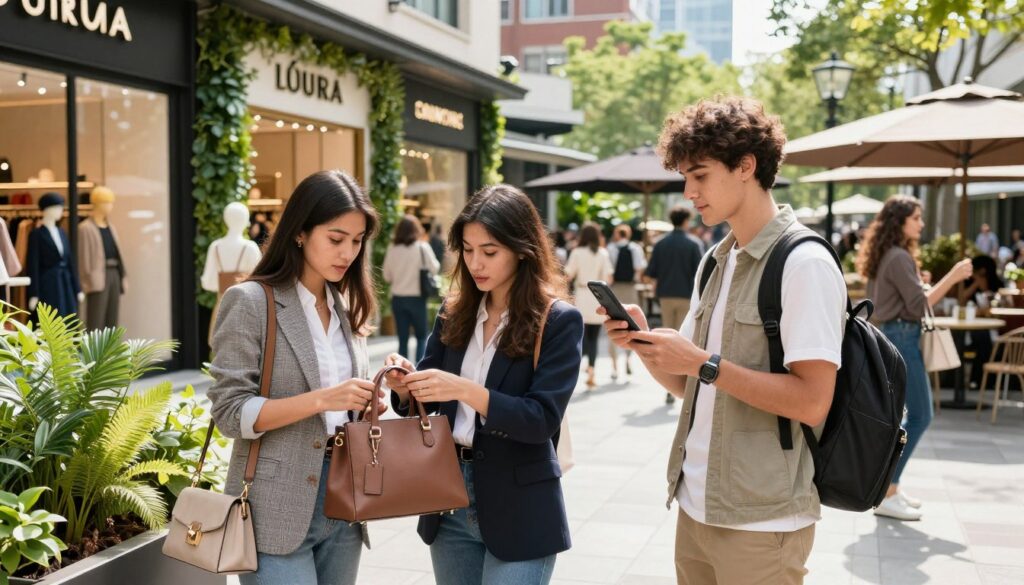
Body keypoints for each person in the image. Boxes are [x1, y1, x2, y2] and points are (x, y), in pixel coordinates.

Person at [604, 96, 846, 584]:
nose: (689, 192)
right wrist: (650, 350)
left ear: (746, 166)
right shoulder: (716, 259)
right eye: (685, 178)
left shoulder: (804, 264)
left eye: (700, 175)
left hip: (763, 517)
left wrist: (703, 363)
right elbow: (691, 386)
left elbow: (813, 402)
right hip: (696, 505)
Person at [384, 184, 583, 585]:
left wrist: (462, 388)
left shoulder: (557, 320)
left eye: (489, 252)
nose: (476, 263)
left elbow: (540, 420)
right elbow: (425, 401)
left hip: (521, 504)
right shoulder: (454, 310)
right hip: (448, 497)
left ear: (522, 249)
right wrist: (405, 386)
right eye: (468, 250)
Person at [208, 170, 386, 585]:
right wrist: (324, 399)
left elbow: (341, 404)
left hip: (345, 499)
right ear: (301, 233)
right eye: (336, 238)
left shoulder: (345, 304)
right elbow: (230, 413)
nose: (348, 252)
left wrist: (367, 401)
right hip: (274, 504)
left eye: (357, 241)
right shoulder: (251, 301)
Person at [857, 194, 973, 521]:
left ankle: (890, 488)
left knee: (907, 418)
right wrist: (952, 276)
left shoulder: (890, 255)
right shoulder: (897, 257)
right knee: (921, 416)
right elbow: (919, 305)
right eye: (917, 218)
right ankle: (887, 488)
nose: (921, 224)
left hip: (895, 336)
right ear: (901, 222)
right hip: (902, 337)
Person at [644, 206, 703, 404]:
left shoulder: (661, 244)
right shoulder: (694, 244)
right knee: (684, 337)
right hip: (687, 294)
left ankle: (670, 385)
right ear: (686, 221)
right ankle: (683, 380)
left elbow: (652, 272)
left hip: (666, 294)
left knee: (667, 333)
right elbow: (702, 274)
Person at [382, 215, 440, 362]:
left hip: (398, 299)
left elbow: (386, 276)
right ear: (416, 230)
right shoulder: (422, 247)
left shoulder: (392, 249)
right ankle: (418, 372)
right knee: (421, 337)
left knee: (403, 339)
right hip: (417, 298)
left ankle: (401, 374)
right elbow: (435, 268)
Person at [565, 222, 614, 388]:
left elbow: (568, 275)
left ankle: (578, 368)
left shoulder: (577, 252)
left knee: (582, 336)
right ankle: (592, 370)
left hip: (581, 296)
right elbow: (608, 279)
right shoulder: (602, 253)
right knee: (594, 338)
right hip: (596, 297)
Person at [607, 224, 647, 379]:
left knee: (612, 325)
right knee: (631, 325)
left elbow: (608, 269)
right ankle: (628, 361)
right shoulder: (636, 248)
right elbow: (639, 267)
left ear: (617, 234)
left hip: (614, 289)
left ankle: (614, 366)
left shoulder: (611, 248)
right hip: (630, 288)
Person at [962, 254, 1004, 387]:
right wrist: (976, 283)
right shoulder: (969, 284)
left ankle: (979, 379)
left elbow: (998, 307)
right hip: (972, 327)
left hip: (994, 330)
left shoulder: (996, 286)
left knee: (982, 337)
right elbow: (961, 300)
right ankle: (979, 379)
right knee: (980, 337)